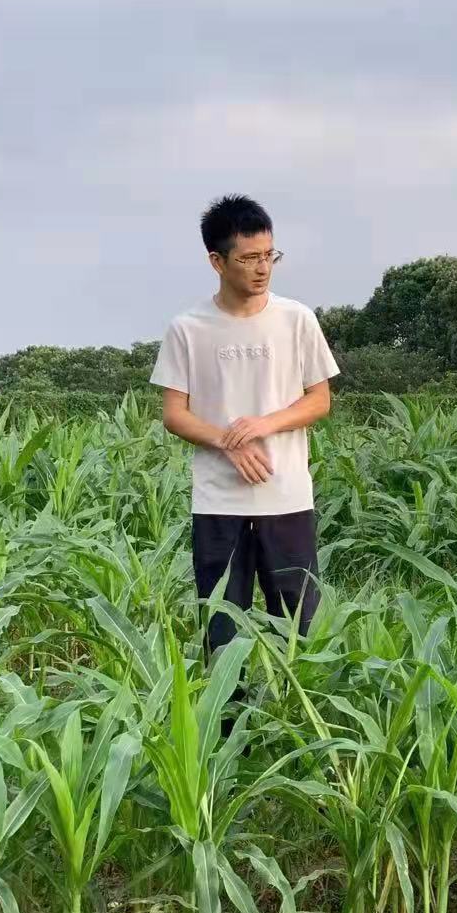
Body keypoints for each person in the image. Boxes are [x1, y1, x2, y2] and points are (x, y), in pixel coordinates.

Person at [151, 194, 340, 660]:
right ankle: (230, 726)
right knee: (221, 629)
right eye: (249, 258)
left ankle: (297, 724)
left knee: (300, 626)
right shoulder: (187, 328)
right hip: (218, 501)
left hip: (288, 497)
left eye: (269, 255)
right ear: (217, 261)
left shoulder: (296, 319)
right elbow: (174, 412)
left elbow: (320, 400)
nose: (263, 268)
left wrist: (261, 425)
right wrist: (226, 441)